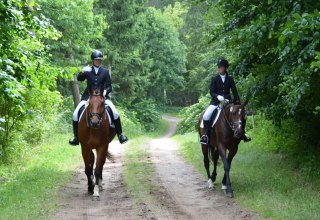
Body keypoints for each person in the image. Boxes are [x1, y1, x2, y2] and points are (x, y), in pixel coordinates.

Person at [69, 50, 128, 145]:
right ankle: (76, 137)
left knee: (115, 113)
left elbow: (109, 86)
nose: (98, 61)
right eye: (96, 60)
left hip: (102, 96)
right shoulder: (88, 71)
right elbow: (80, 79)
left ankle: (120, 135)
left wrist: (105, 91)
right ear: (93, 60)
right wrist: (82, 71)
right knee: (75, 114)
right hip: (88, 96)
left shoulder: (105, 72)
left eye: (100, 60)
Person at [200, 59, 251, 145]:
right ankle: (205, 135)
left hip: (228, 102)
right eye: (218, 67)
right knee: (206, 115)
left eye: (221, 67)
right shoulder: (214, 79)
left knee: (240, 114)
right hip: (216, 102)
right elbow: (212, 92)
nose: (219, 68)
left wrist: (237, 102)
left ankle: (242, 133)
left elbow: (234, 92)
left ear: (225, 68)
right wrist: (217, 96)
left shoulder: (230, 79)